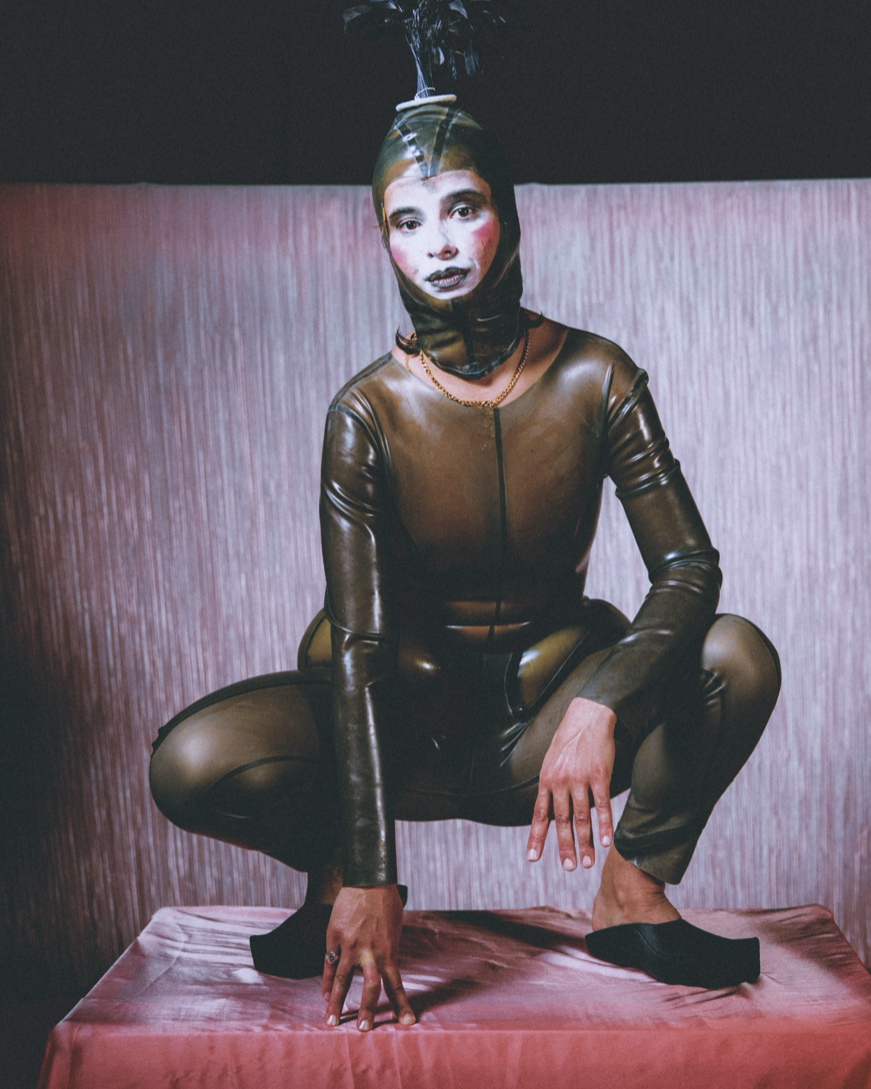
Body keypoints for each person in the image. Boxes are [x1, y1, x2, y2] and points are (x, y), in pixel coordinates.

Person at [148, 94, 781, 1033]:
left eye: (462, 208)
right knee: (191, 761)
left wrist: (601, 703)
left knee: (738, 654)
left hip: (548, 722)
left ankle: (632, 894)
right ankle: (334, 879)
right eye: (407, 221)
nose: (439, 243)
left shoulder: (597, 374)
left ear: (507, 214)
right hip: (407, 729)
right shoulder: (364, 413)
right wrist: (371, 871)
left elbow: (689, 567)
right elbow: (361, 643)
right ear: (385, 241)